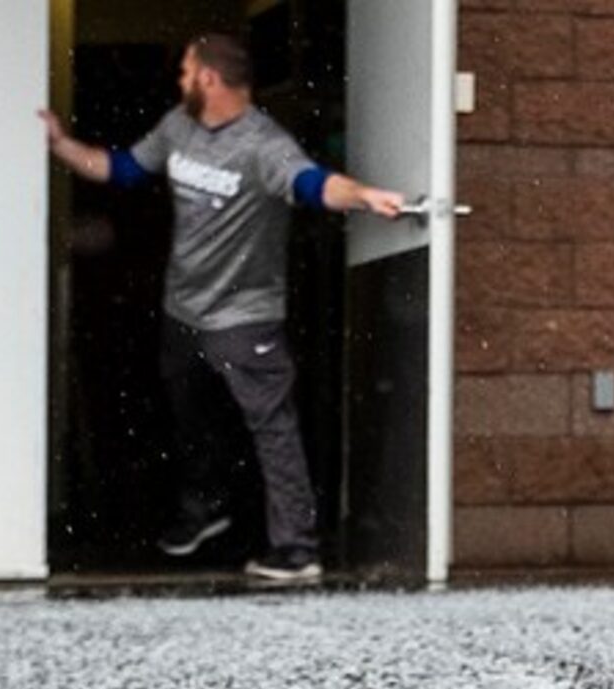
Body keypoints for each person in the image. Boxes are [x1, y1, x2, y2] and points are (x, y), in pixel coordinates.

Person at [42, 32, 408, 585]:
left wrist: (365, 196)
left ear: (210, 79)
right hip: (181, 310)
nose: (180, 81)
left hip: (244, 316)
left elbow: (312, 184)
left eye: (187, 73)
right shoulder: (178, 127)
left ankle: (295, 549)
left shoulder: (264, 145)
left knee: (270, 426)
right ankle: (207, 508)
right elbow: (123, 170)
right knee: (187, 414)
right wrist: (60, 145)